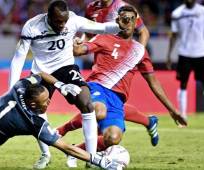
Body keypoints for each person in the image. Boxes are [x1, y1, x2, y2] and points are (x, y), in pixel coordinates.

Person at [57, 6, 187, 167]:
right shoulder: (104, 38)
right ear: (117, 21)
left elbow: (153, 82)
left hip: (117, 100)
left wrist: (172, 110)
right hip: (97, 87)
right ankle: (65, 133)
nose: (128, 21)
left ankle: (76, 149)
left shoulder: (139, 51)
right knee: (98, 110)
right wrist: (75, 43)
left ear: (135, 23)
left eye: (132, 19)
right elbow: (79, 50)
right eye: (124, 18)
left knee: (113, 138)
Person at [8, 0, 122, 168]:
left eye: (64, 21)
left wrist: (119, 26)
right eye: (58, 21)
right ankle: (45, 154)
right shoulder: (32, 27)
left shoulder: (73, 20)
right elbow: (18, 58)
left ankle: (91, 158)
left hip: (65, 67)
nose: (62, 25)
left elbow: (103, 28)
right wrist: (12, 89)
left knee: (87, 103)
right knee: (35, 110)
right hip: (42, 72)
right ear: (48, 17)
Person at [0, 73, 122, 170]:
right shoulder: (34, 123)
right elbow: (67, 148)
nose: (49, 102)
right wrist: (100, 160)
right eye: (46, 102)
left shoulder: (20, 87)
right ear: (34, 105)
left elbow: (41, 74)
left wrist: (59, 85)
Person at [83, 0, 160, 147]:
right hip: (103, 54)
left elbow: (143, 31)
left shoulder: (121, 7)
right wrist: (82, 43)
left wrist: (135, 55)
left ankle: (80, 145)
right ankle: (148, 122)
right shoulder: (91, 8)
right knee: (102, 106)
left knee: (103, 105)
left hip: (122, 59)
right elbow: (87, 33)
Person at [166, 0, 204, 120]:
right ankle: (182, 114)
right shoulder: (177, 13)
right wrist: (169, 54)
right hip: (184, 53)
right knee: (183, 84)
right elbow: (174, 34)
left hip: (201, 53)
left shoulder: (202, 11)